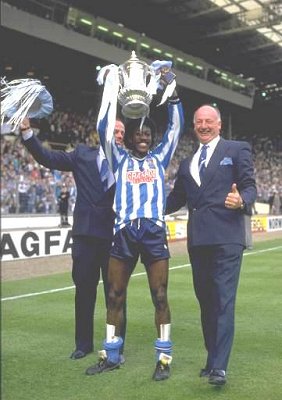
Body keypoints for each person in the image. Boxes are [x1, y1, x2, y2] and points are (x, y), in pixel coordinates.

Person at [85, 73, 184, 381]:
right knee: (114, 295)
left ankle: (164, 357)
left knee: (160, 296)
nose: (143, 136)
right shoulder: (119, 160)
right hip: (124, 232)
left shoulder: (160, 157)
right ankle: (111, 354)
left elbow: (176, 127)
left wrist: (174, 92)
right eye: (138, 133)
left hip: (154, 232)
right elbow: (103, 125)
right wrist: (112, 88)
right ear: (128, 137)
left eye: (147, 133)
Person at [19, 116, 129, 361]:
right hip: (86, 236)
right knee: (84, 292)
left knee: (116, 293)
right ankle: (83, 344)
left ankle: (116, 344)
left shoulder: (129, 162)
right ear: (101, 132)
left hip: (114, 236)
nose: (120, 135)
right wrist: (28, 133)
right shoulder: (82, 154)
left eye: (122, 132)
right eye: (116, 130)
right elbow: (50, 159)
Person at [165, 104, 257, 386]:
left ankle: (220, 367)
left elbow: (250, 185)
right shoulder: (186, 164)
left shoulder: (237, 149)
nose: (204, 126)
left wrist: (241, 200)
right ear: (194, 126)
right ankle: (211, 358)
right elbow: (175, 199)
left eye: (209, 121)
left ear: (218, 124)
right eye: (199, 122)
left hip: (227, 239)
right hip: (198, 241)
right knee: (206, 303)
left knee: (223, 301)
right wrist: (144, 207)